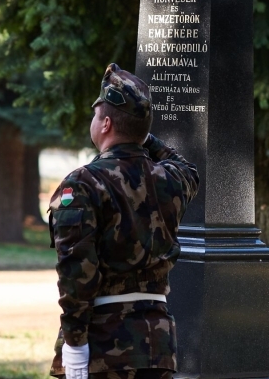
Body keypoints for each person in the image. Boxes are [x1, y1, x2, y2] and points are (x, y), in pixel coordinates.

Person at [48, 63, 199, 379]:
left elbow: (77, 271)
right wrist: (139, 130)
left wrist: (74, 344)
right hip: (157, 345)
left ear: (105, 124)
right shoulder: (171, 180)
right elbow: (185, 167)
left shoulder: (83, 184)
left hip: (103, 344)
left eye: (96, 115)